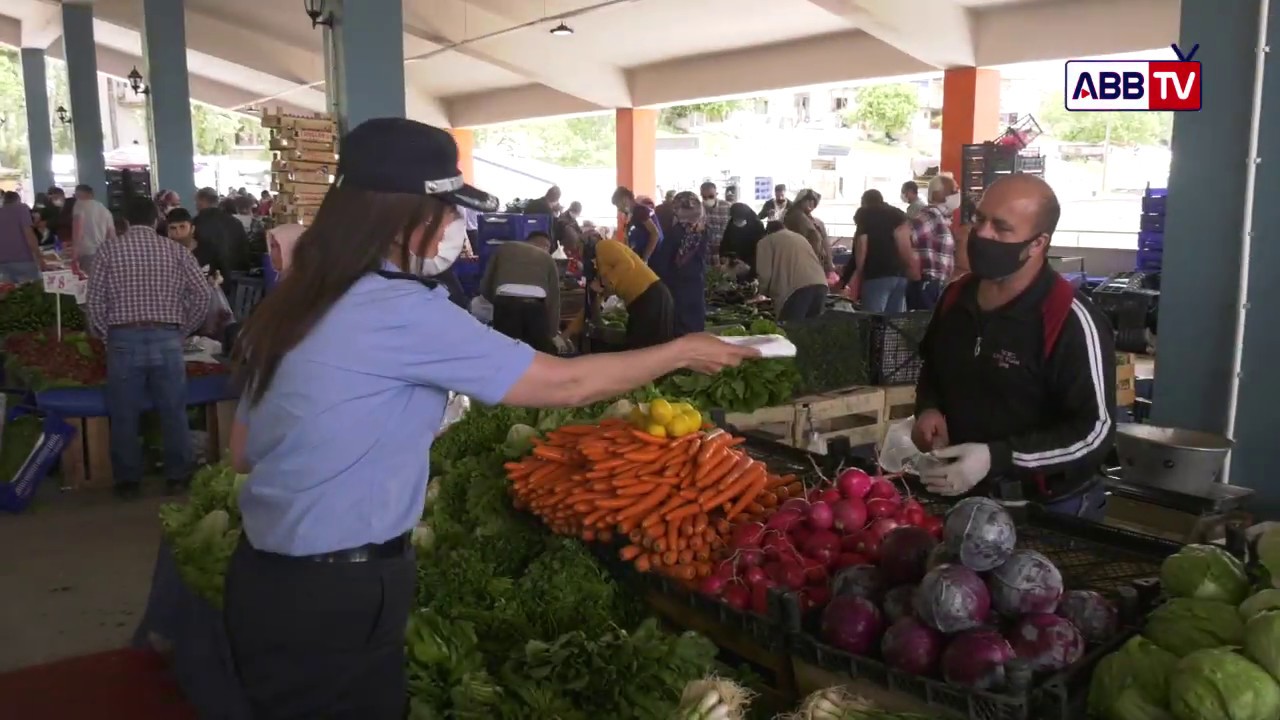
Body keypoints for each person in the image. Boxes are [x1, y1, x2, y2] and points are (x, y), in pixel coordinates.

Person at [223, 117, 756, 720]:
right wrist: (683, 349)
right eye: (447, 210)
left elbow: (243, 450)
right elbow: (567, 382)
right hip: (337, 596)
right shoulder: (397, 310)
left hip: (263, 581)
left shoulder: (300, 297)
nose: (458, 225)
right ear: (400, 216)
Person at [912, 174, 1115, 520]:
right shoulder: (956, 298)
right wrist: (928, 408)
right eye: (980, 219)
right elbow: (934, 368)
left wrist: (998, 457)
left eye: (1002, 228)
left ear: (1037, 243)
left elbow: (1095, 433)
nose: (983, 234)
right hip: (962, 498)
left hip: (1047, 511)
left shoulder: (1070, 320)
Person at [86, 196, 212, 500]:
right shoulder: (174, 250)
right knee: (173, 410)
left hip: (123, 339)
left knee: (124, 413)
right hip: (167, 338)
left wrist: (108, 334)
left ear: (125, 221)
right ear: (157, 221)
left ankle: (128, 481)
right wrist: (182, 329)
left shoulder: (108, 251)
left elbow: (93, 303)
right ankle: (177, 478)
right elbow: (203, 295)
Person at [480, 232, 561, 353]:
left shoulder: (504, 248)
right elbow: (554, 299)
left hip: (505, 303)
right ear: (546, 246)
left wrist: (497, 302)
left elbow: (486, 283)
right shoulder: (547, 258)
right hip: (535, 307)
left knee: (506, 349)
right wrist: (552, 333)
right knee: (539, 353)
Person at [841, 189, 919, 313]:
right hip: (900, 275)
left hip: (877, 273)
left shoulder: (865, 213)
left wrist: (859, 272)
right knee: (894, 323)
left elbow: (862, 242)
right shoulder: (897, 214)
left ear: (864, 202)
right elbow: (906, 240)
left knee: (873, 320)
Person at [590, 238, 677, 349]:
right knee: (641, 350)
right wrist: (566, 334)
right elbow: (597, 298)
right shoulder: (601, 266)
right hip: (643, 301)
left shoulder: (603, 246)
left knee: (649, 351)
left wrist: (603, 283)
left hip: (651, 297)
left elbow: (628, 263)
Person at [650, 192, 708, 337]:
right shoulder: (702, 231)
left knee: (678, 332)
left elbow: (661, 265)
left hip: (676, 289)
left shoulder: (675, 233)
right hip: (695, 288)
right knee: (694, 331)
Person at [907, 174, 961, 310]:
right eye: (953, 191)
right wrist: (913, 268)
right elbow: (905, 235)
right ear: (937, 195)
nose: (957, 194)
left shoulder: (942, 219)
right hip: (928, 286)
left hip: (936, 286)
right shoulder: (930, 216)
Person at [755, 226, 829, 322]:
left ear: (766, 233)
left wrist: (761, 292)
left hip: (795, 290)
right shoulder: (799, 237)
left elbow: (764, 274)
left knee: (789, 330)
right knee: (810, 330)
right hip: (820, 284)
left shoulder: (765, 241)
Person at [193, 186, 248, 279]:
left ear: (201, 201)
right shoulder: (235, 222)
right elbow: (244, 250)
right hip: (235, 277)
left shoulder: (194, 224)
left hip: (208, 277)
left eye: (196, 201)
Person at [783, 189, 834, 274]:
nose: (811, 203)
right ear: (801, 201)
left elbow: (824, 242)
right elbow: (815, 238)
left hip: (811, 262)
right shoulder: (797, 216)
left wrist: (829, 261)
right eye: (808, 200)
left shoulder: (815, 221)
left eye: (813, 201)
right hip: (804, 263)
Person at [71, 184, 117, 275]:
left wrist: (74, 256)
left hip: (87, 253)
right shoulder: (105, 210)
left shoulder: (80, 205)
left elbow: (78, 230)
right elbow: (111, 236)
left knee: (88, 283)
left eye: (77, 195)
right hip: (103, 254)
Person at [0, 191, 43, 282]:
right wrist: (39, 258)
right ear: (18, 200)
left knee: (10, 293)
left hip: (3, 263)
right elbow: (29, 235)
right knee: (31, 292)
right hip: (23, 260)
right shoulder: (21, 209)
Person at [612, 186, 662, 262]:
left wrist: (646, 257)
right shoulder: (630, 214)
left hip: (653, 258)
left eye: (618, 205)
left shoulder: (639, 211)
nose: (619, 208)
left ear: (625, 199)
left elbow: (655, 233)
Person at [720, 203, 766, 277]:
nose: (737, 221)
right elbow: (725, 243)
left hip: (752, 265)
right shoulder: (731, 224)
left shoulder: (757, 226)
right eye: (736, 219)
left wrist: (749, 266)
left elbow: (761, 250)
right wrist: (725, 256)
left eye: (740, 219)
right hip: (735, 264)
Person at [699, 181, 732, 258]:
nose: (707, 199)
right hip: (706, 255)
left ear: (716, 194)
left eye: (711, 196)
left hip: (724, 254)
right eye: (704, 197)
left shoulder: (727, 207)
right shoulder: (698, 210)